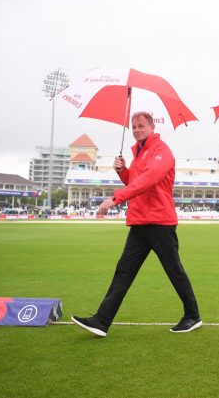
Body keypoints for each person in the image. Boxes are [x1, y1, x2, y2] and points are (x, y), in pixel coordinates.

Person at [72, 111, 201, 337]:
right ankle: (101, 321)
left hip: (160, 221)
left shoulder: (162, 151)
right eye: (133, 127)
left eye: (141, 126)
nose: (136, 130)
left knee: (174, 270)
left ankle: (192, 316)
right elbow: (135, 181)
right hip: (140, 220)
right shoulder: (139, 153)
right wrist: (123, 172)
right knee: (124, 271)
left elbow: (149, 180)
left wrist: (115, 198)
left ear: (152, 127)